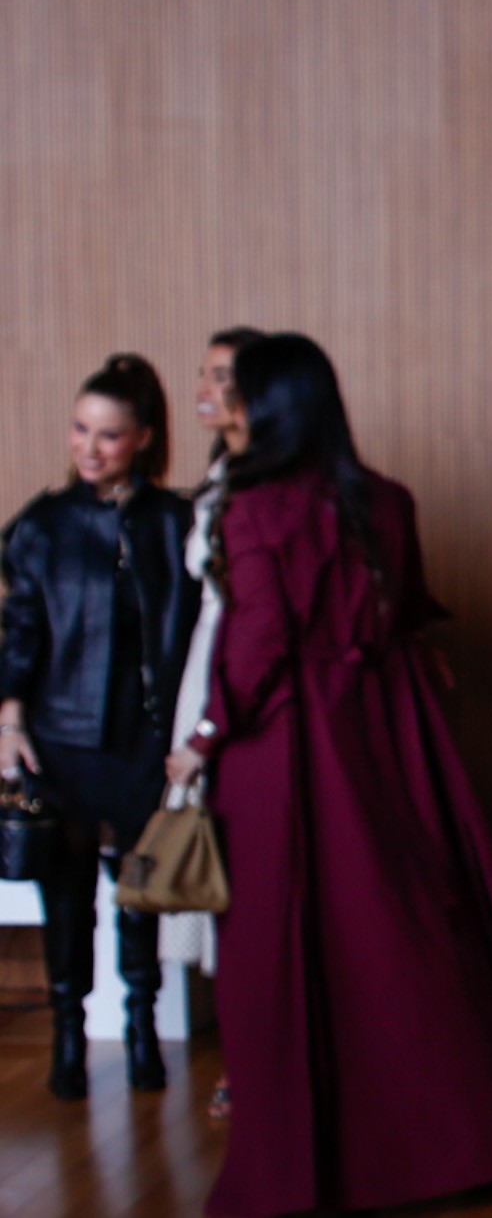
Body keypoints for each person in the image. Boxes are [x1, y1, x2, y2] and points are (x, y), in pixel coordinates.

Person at [166, 333, 492, 1217]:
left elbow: (258, 644)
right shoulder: (387, 500)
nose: (227, 401)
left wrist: (202, 737)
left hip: (284, 745)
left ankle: (307, 1165)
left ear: (270, 405)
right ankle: (464, 1143)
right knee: (399, 938)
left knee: (279, 945)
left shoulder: (254, 506)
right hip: (388, 733)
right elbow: (408, 611)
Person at [0, 353, 199, 1098]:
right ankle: (68, 1034)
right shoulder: (44, 525)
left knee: (139, 888)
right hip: (61, 740)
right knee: (67, 893)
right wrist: (9, 717)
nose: (89, 447)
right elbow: (21, 631)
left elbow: (199, 633)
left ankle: (143, 1025)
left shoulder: (176, 523)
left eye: (108, 434)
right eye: (80, 429)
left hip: (145, 741)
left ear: (143, 437)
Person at [167, 325, 263, 1122]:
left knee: (246, 864)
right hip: (204, 662)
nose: (206, 388)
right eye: (203, 373)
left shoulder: (270, 483)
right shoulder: (217, 478)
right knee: (211, 860)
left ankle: (251, 1056)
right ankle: (239, 1045)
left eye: (224, 375)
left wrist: (209, 725)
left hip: (237, 670)